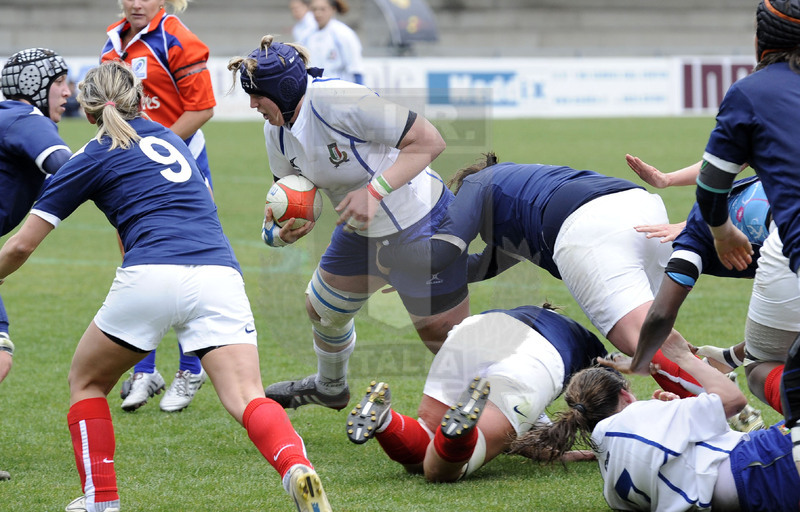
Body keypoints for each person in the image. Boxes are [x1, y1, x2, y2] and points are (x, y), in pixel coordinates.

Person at [0, 60, 331, 512]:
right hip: (219, 273)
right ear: (140, 98)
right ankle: (296, 467)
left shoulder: (90, 155)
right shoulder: (172, 139)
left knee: (87, 381)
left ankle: (101, 500)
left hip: (151, 274)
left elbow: (21, 246)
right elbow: (207, 202)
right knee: (246, 396)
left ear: (90, 111)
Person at [227, 35, 470, 411]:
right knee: (323, 310)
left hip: (422, 219)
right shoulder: (275, 131)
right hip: (362, 231)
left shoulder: (340, 100)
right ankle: (329, 387)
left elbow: (429, 140)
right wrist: (279, 230)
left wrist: (374, 192)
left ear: (283, 89)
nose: (252, 104)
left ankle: (519, 414)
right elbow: (290, 192)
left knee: (442, 335)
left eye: (258, 95)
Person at [377, 152, 703, 398]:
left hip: (592, 226)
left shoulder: (477, 184)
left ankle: (712, 404)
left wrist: (386, 258)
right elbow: (482, 266)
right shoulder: (519, 197)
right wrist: (413, 272)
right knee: (658, 335)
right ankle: (711, 376)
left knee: (640, 341)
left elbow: (443, 251)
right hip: (642, 210)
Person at [512, 335, 800, 512]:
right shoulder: (635, 417)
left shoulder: (610, 479)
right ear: (625, 393)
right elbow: (733, 400)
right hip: (758, 469)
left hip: (752, 494)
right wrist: (683, 357)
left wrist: (675, 410)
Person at [101, 0, 218, 413]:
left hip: (179, 168)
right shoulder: (112, 41)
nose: (136, 2)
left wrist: (154, 147)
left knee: (186, 267)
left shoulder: (177, 40)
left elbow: (202, 107)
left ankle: (191, 368)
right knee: (136, 265)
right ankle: (145, 370)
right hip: (132, 168)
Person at [345, 304, 605, 482]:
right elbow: (606, 409)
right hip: (537, 358)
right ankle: (466, 433)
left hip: (478, 328)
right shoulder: (596, 359)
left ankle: (386, 421)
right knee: (441, 471)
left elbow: (532, 429)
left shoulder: (532, 313)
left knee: (427, 444)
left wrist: (539, 442)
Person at [625, 155, 799, 420]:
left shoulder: (693, 237)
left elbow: (661, 313)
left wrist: (639, 361)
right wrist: (667, 180)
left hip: (788, 244)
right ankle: (731, 359)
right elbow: (726, 163)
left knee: (760, 367)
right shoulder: (760, 176)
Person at [0, 48, 72, 482]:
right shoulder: (27, 119)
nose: (68, 92)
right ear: (34, 85)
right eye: (59, 82)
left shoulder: (10, 117)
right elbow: (68, 168)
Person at [304, 0, 364, 84]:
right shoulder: (307, 35)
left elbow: (355, 67)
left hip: (340, 87)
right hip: (316, 88)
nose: (318, 13)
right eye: (314, 9)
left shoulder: (343, 33)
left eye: (323, 9)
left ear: (333, 9)